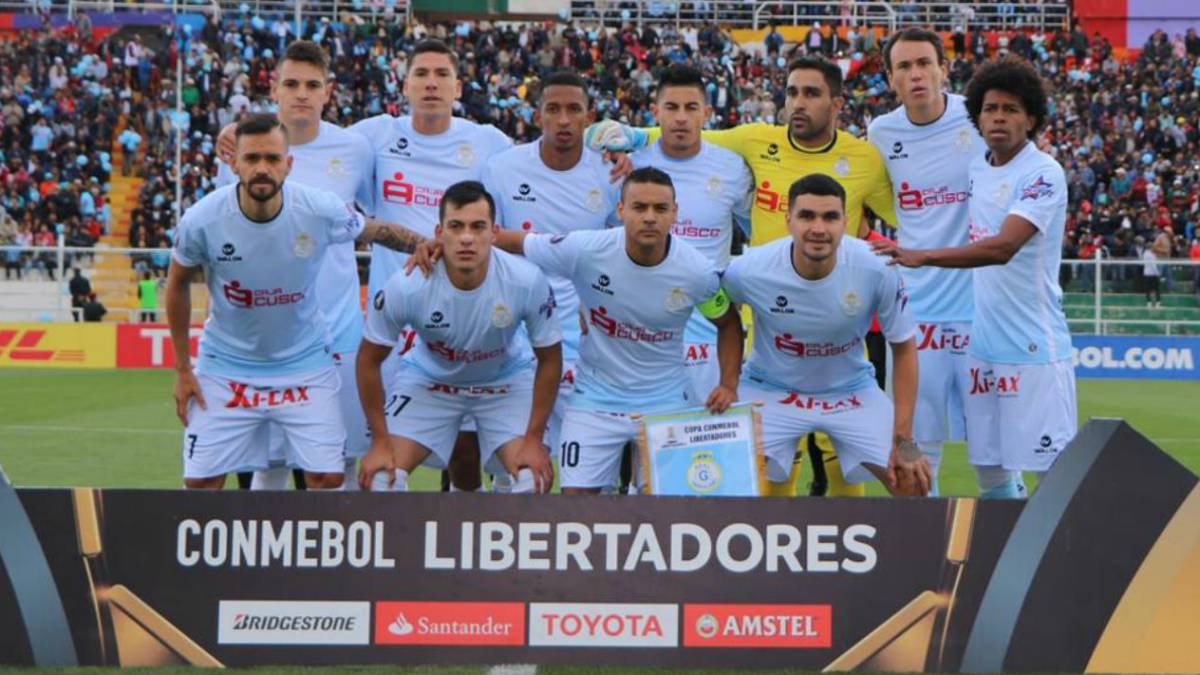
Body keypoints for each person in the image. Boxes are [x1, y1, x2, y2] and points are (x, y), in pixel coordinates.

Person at [587, 56, 896, 498]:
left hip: (835, 317)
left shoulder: (863, 158)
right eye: (791, 93)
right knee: (764, 441)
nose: (798, 103)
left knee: (837, 443)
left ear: (837, 103)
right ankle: (764, 548)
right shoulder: (756, 141)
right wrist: (633, 136)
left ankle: (847, 550)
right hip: (761, 315)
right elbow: (692, 133)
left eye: (811, 93)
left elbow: (904, 213)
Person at [165, 114, 428, 490]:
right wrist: (182, 369)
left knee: (327, 477)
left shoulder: (317, 208)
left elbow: (376, 229)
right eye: (252, 159)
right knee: (200, 485)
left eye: (272, 159)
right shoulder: (202, 219)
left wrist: (429, 246)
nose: (261, 169)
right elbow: (176, 284)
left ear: (288, 165)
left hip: (304, 364)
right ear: (234, 163)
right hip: (226, 366)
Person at [876, 57, 1076, 494]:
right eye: (990, 109)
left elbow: (1002, 248)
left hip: (1034, 348)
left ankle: (1068, 561)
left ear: (1032, 119)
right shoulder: (980, 168)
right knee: (991, 469)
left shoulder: (1044, 174)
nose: (999, 117)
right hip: (983, 346)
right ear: (977, 118)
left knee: (1052, 474)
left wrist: (923, 256)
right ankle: (1000, 558)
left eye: (1010, 109)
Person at [490, 167, 744, 494]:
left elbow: (727, 323)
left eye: (660, 209)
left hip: (666, 402)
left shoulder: (697, 273)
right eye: (639, 208)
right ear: (621, 210)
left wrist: (728, 382)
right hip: (594, 400)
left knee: (667, 512)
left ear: (675, 214)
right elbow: (514, 241)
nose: (650, 218)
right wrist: (439, 245)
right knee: (576, 507)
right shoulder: (585, 250)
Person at [217, 40, 379, 492]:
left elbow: (373, 216)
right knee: (270, 465)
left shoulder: (355, 149)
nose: (302, 94)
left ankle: (341, 560)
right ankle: (262, 562)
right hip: (269, 338)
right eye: (292, 84)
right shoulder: (242, 150)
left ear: (328, 91)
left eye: (312, 85)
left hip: (339, 334)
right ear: (274, 88)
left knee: (341, 463)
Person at [867, 28, 1009, 497]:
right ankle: (927, 558)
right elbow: (884, 202)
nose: (916, 74)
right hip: (917, 314)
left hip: (981, 311)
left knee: (994, 455)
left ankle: (1008, 558)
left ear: (943, 69)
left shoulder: (977, 120)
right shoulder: (881, 133)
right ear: (891, 79)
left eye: (924, 63)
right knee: (918, 454)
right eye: (904, 66)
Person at [723, 173, 928, 496]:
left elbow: (904, 348)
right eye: (806, 216)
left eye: (830, 217)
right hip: (771, 390)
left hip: (849, 391)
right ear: (788, 219)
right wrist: (727, 381)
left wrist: (904, 440)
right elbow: (721, 315)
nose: (818, 228)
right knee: (721, 479)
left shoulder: (877, 267)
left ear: (846, 221)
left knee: (911, 480)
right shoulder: (750, 268)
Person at [357, 181, 562, 493]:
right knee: (380, 481)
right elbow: (368, 361)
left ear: (494, 232)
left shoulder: (526, 280)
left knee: (531, 480)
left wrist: (534, 440)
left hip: (504, 381)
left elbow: (550, 360)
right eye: (456, 226)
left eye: (478, 227)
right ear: (439, 233)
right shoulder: (408, 285)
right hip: (430, 381)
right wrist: (380, 441)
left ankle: (502, 500)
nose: (467, 237)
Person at [479, 70, 622, 479]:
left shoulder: (610, 172)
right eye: (553, 109)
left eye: (574, 110)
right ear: (538, 115)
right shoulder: (503, 168)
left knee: (588, 470)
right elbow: (486, 238)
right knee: (515, 472)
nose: (563, 119)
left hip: (587, 332)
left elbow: (620, 248)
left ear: (589, 117)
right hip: (515, 329)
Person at [629, 64, 753, 404]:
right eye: (671, 107)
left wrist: (740, 286)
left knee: (707, 435)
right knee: (647, 439)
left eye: (691, 108)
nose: (681, 118)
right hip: (645, 320)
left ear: (707, 113)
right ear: (654, 112)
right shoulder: (631, 163)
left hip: (713, 325)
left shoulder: (731, 169)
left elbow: (757, 230)